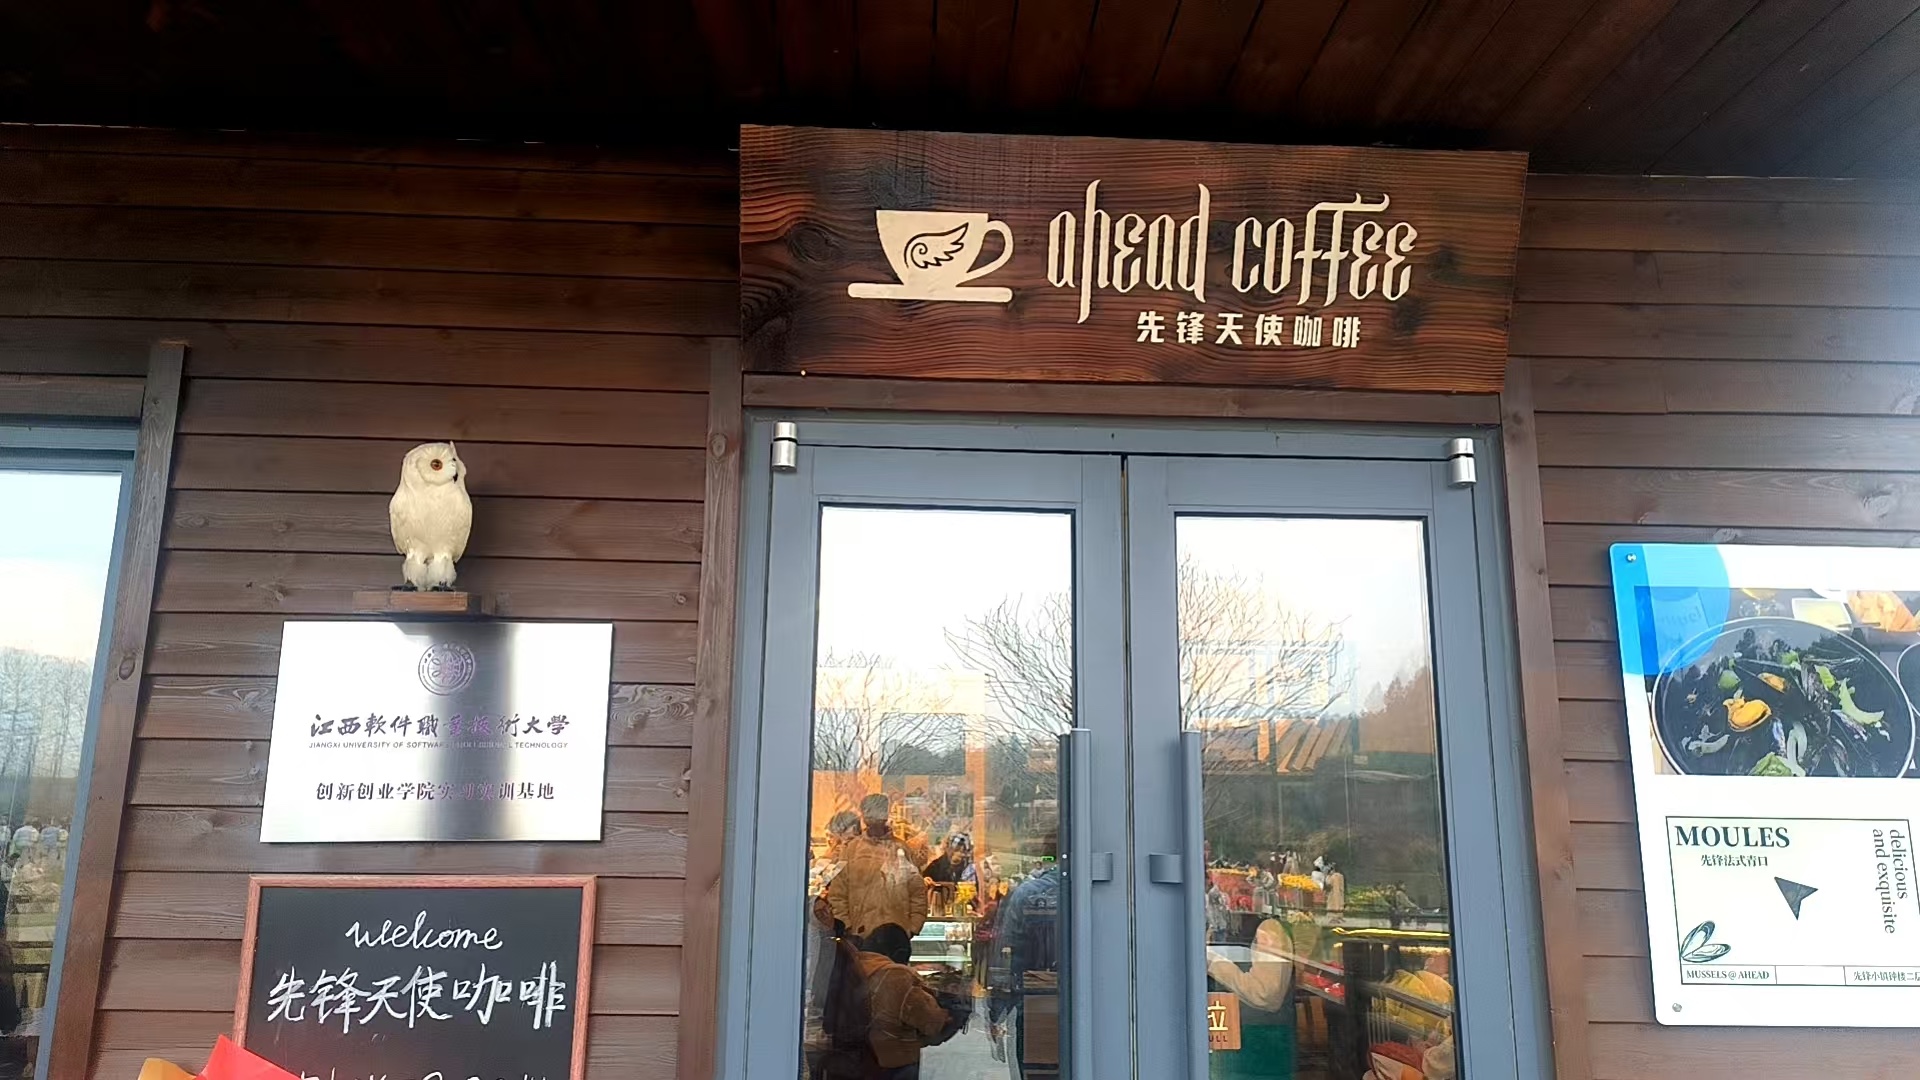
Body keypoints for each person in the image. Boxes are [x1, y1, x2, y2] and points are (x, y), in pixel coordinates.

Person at [855, 924, 964, 1079]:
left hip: (857, 1060)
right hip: (893, 1061)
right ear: (901, 953)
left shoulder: (852, 965)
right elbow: (932, 1023)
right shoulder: (897, 975)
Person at [828, 794, 930, 938]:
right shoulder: (851, 850)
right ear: (863, 815)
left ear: (886, 814)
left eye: (878, 811)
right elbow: (837, 893)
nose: (874, 817)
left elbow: (917, 892)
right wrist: (847, 927)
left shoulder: (901, 849)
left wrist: (912, 927)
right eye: (869, 811)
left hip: (896, 934)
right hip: (861, 934)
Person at [1206, 918, 1297, 1079]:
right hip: (1249, 1037)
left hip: (1259, 1041)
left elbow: (1263, 993)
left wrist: (1212, 961)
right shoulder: (1247, 924)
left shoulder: (1268, 928)